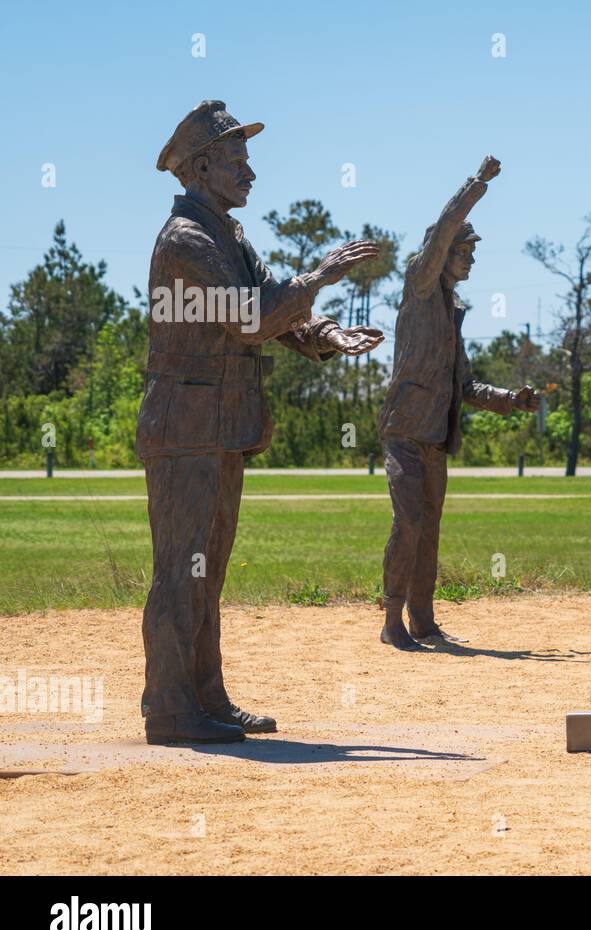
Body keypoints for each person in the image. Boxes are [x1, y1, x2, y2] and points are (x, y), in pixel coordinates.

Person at [140, 100, 383, 744]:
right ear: (201, 166)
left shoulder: (228, 234)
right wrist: (323, 274)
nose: (251, 171)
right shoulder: (187, 240)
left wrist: (328, 333)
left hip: (217, 429)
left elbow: (274, 306)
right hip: (185, 428)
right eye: (238, 159)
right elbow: (248, 317)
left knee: (207, 569)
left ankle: (206, 696)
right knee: (182, 568)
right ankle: (169, 707)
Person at [378, 156, 541, 651]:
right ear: (442, 251)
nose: (470, 258)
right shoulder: (420, 285)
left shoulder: (453, 313)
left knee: (428, 533)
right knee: (408, 525)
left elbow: (464, 386)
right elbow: (443, 228)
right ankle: (391, 622)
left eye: (472, 250)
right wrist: (477, 185)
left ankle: (423, 621)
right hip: (404, 433)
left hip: (433, 441)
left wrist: (510, 400)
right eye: (463, 249)